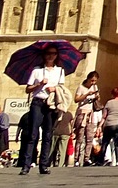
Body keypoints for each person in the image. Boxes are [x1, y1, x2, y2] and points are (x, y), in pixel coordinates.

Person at [22, 44, 65, 175]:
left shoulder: (60, 71)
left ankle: (44, 165)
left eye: (54, 53)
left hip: (51, 104)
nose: (51, 55)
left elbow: (62, 88)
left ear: (57, 56)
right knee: (33, 134)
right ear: (44, 55)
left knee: (48, 135)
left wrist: (54, 88)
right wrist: (39, 84)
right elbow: (27, 89)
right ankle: (26, 165)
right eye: (48, 53)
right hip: (37, 103)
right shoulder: (37, 70)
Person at [72, 70, 100, 166]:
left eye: (95, 81)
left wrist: (96, 96)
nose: (93, 83)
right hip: (82, 113)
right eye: (92, 80)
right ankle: (76, 158)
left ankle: (86, 158)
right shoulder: (81, 87)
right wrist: (87, 94)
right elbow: (76, 99)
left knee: (89, 137)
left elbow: (98, 99)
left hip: (91, 113)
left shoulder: (95, 87)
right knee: (80, 137)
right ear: (88, 79)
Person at [100, 87, 118, 165]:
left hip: (109, 123)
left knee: (105, 142)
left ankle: (101, 160)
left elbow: (104, 115)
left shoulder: (109, 102)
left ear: (112, 94)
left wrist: (100, 125)